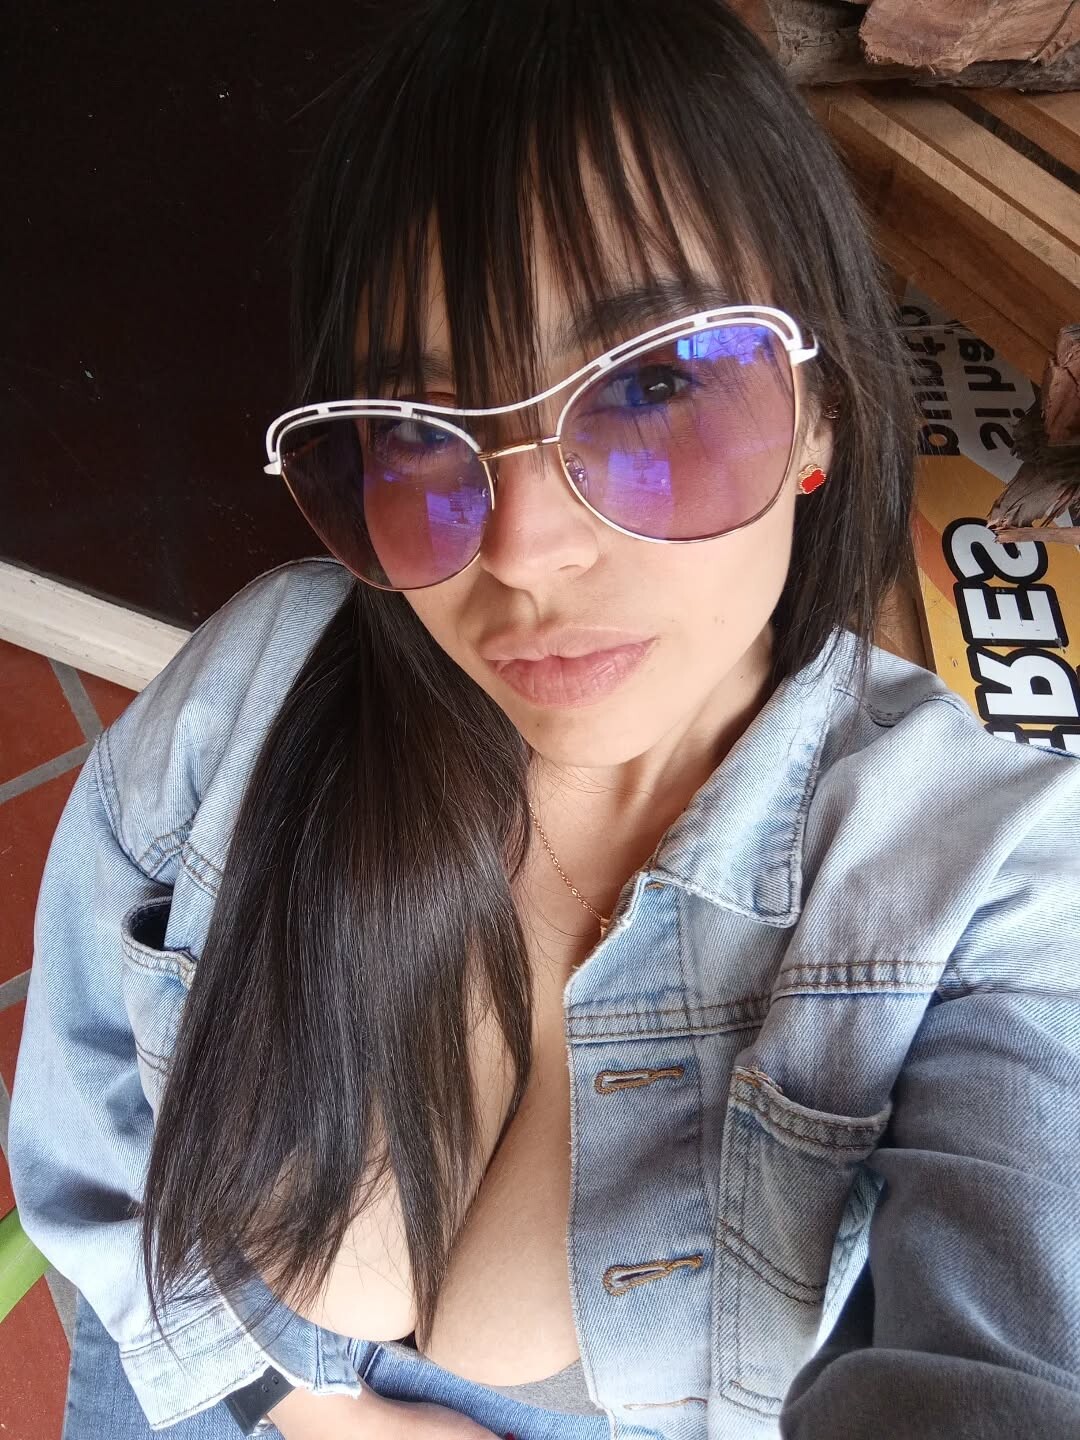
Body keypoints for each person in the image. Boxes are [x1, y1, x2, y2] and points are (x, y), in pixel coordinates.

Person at [9, 1, 1080, 1438]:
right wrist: (301, 1409)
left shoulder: (979, 891)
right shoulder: (257, 694)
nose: (520, 547)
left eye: (652, 384)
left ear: (821, 409)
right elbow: (90, 1114)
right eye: (417, 427)